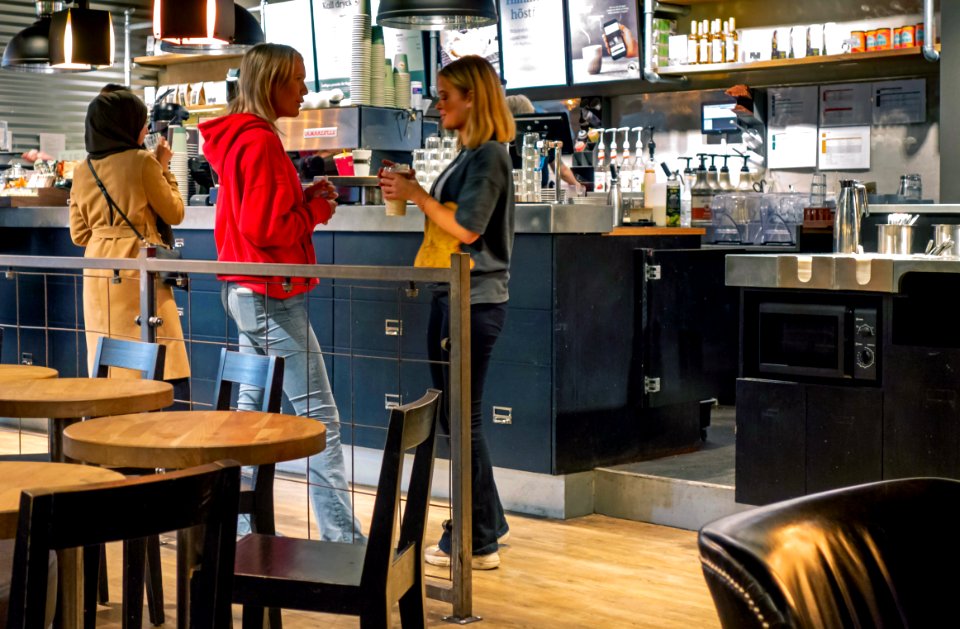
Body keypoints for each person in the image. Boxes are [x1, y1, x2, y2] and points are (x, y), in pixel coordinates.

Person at [199, 43, 365, 543]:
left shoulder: (235, 138)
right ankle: (345, 541)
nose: (305, 89)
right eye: (297, 79)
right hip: (270, 292)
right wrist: (313, 212)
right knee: (320, 419)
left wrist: (302, 196)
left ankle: (236, 526)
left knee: (249, 416)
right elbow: (268, 228)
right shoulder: (261, 141)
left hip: (245, 289)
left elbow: (257, 215)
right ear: (271, 83)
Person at [379, 54, 513, 570]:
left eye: (445, 96)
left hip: (472, 298)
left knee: (463, 418)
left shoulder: (488, 156)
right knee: (460, 417)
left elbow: (468, 229)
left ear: (472, 98)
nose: (437, 106)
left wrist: (416, 195)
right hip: (456, 295)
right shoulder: (472, 153)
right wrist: (418, 193)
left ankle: (476, 541)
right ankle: (487, 524)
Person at [69, 86, 190, 387]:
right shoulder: (142, 161)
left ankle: (108, 423)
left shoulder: (83, 169)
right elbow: (174, 212)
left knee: (108, 358)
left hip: (97, 270)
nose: (146, 128)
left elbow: (78, 234)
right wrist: (163, 168)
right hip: (138, 266)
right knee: (153, 354)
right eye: (142, 121)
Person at [505, 94, 582, 193]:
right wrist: (578, 186)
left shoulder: (503, 144)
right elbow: (562, 171)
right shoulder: (539, 141)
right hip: (534, 197)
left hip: (523, 197)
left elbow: (562, 170)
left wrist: (578, 186)